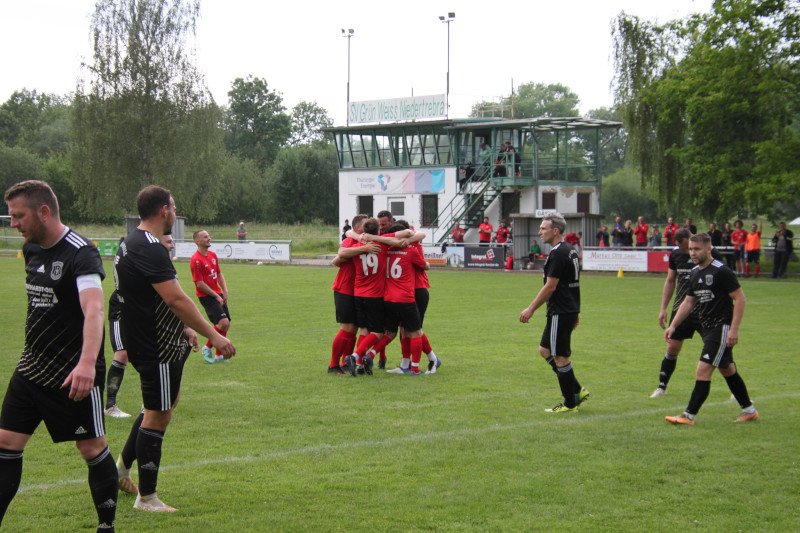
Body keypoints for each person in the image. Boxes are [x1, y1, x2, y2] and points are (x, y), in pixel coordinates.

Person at [0, 180, 118, 532]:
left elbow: (94, 309)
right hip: (32, 365)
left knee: (91, 448)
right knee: (6, 442)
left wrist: (86, 364)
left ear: (43, 212)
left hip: (72, 372)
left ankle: (106, 527)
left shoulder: (81, 253)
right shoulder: (32, 249)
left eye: (18, 216)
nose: (13, 224)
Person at [114, 185, 235, 512]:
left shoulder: (130, 242)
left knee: (161, 404)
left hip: (152, 339)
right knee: (158, 414)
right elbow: (176, 299)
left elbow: (151, 296)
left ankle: (121, 469)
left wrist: (184, 327)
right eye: (174, 207)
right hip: (156, 345)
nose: (175, 212)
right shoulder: (150, 247)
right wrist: (215, 336)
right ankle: (147, 497)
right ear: (164, 210)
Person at [664, 232, 758, 425]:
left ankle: (688, 416)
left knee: (703, 370)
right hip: (707, 328)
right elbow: (688, 302)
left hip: (720, 327)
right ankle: (749, 410)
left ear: (708, 249)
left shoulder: (721, 271)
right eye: (691, 249)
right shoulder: (695, 272)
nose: (693, 253)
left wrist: (734, 329)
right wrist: (673, 325)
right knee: (727, 369)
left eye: (697, 249)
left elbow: (740, 298)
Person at [519, 212, 590, 413]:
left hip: (560, 310)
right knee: (545, 350)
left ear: (555, 231)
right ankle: (576, 390)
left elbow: (551, 286)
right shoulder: (570, 250)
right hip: (566, 310)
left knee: (560, 357)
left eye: (543, 228)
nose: (539, 232)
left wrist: (530, 309)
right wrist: (575, 311)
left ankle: (570, 403)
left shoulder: (558, 253)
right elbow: (573, 283)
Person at [105, 234, 175, 418]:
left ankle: (148, 404)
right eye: (168, 242)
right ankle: (110, 406)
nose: (172, 245)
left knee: (148, 352)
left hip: (142, 310)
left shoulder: (161, 259)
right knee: (122, 354)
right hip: (121, 308)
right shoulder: (146, 254)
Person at [652, 228, 723, 398]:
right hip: (682, 310)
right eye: (685, 249)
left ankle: (736, 391)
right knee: (672, 346)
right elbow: (670, 281)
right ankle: (661, 387)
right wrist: (663, 308)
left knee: (717, 349)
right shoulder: (675, 254)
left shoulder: (711, 253)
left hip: (705, 310)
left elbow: (721, 280)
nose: (688, 252)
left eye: (689, 247)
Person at [328, 215, 380, 374]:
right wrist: (363, 248)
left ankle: (346, 362)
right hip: (344, 289)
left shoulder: (369, 240)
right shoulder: (351, 240)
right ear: (358, 228)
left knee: (355, 328)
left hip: (359, 292)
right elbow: (340, 254)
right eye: (365, 224)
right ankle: (333, 365)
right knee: (347, 328)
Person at [191, 230, 233, 364]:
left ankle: (219, 356)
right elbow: (199, 283)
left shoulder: (213, 255)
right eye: (205, 237)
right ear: (197, 241)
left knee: (226, 324)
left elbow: (219, 274)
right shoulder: (196, 260)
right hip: (207, 296)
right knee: (223, 323)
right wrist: (216, 296)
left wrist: (225, 291)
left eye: (208, 236)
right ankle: (207, 348)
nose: (209, 238)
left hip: (217, 294)